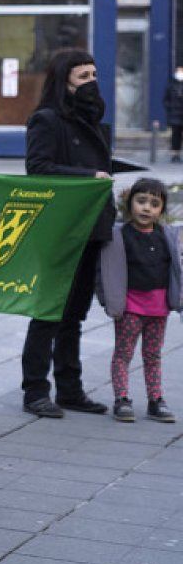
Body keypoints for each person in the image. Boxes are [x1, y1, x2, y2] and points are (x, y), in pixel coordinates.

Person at [22, 48, 115, 418]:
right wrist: (88, 177)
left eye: (94, 75)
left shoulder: (93, 119)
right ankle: (35, 390)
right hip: (60, 228)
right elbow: (39, 167)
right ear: (64, 83)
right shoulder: (46, 119)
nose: (92, 83)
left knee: (75, 313)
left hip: (91, 225)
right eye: (83, 77)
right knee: (49, 311)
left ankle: (70, 389)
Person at [97, 178, 180, 422]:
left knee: (153, 356)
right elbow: (105, 271)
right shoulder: (119, 235)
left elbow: (176, 269)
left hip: (158, 309)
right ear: (130, 203)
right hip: (130, 308)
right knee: (123, 355)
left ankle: (156, 400)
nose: (146, 208)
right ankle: (121, 398)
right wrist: (108, 301)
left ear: (161, 210)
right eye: (141, 201)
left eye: (154, 204)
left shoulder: (167, 236)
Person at [165, 67, 183, 163]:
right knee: (176, 136)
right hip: (175, 115)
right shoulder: (171, 86)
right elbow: (166, 100)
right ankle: (175, 155)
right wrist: (171, 108)